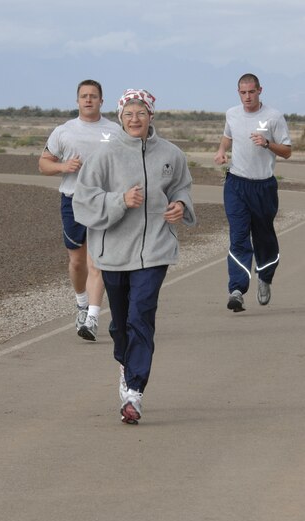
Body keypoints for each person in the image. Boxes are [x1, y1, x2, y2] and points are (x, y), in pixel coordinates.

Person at [73, 89, 195, 424]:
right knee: (121, 323)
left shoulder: (171, 153)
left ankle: (135, 393)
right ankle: (127, 365)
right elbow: (83, 202)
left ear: (151, 115)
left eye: (141, 113)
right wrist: (120, 201)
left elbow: (182, 185)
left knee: (141, 314)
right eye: (128, 114)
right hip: (114, 252)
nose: (134, 119)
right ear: (121, 117)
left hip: (155, 249)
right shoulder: (104, 155)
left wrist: (180, 205)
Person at [38, 79, 120, 341]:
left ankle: (93, 318)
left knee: (97, 262)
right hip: (73, 200)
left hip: (103, 201)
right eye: (84, 96)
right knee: (77, 261)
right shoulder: (64, 132)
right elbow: (43, 164)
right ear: (77, 101)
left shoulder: (116, 131)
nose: (88, 100)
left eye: (93, 96)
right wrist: (64, 167)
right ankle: (82, 303)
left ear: (101, 101)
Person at [214, 73, 292, 312]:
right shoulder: (232, 114)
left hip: (264, 187)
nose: (247, 96)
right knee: (238, 236)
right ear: (238, 93)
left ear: (260, 91)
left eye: (251, 92)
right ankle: (237, 290)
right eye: (243, 92)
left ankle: (265, 277)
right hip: (236, 184)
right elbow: (227, 137)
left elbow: (287, 151)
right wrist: (221, 151)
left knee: (264, 238)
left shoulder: (274, 117)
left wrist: (268, 143)